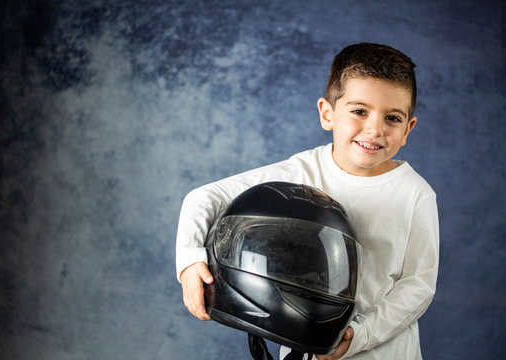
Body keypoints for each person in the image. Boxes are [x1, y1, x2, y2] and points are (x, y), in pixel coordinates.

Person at [176, 42, 439, 360]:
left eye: (392, 118)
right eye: (359, 111)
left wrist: (360, 335)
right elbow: (205, 197)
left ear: (408, 128)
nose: (374, 129)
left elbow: (418, 285)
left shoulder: (415, 194)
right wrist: (191, 261)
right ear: (327, 114)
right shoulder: (299, 175)